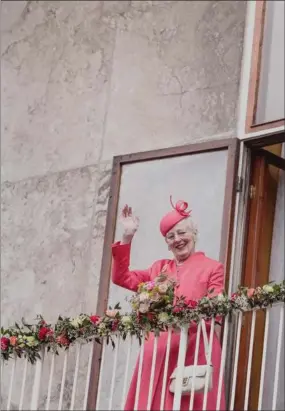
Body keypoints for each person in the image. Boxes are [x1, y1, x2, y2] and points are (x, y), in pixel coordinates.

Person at [111, 199, 226, 410]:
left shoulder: (212, 268)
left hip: (195, 347)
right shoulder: (159, 269)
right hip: (159, 348)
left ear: (194, 234)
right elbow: (121, 277)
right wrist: (127, 236)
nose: (178, 240)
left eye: (182, 233)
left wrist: (182, 317)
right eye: (171, 236)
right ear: (167, 243)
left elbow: (215, 310)